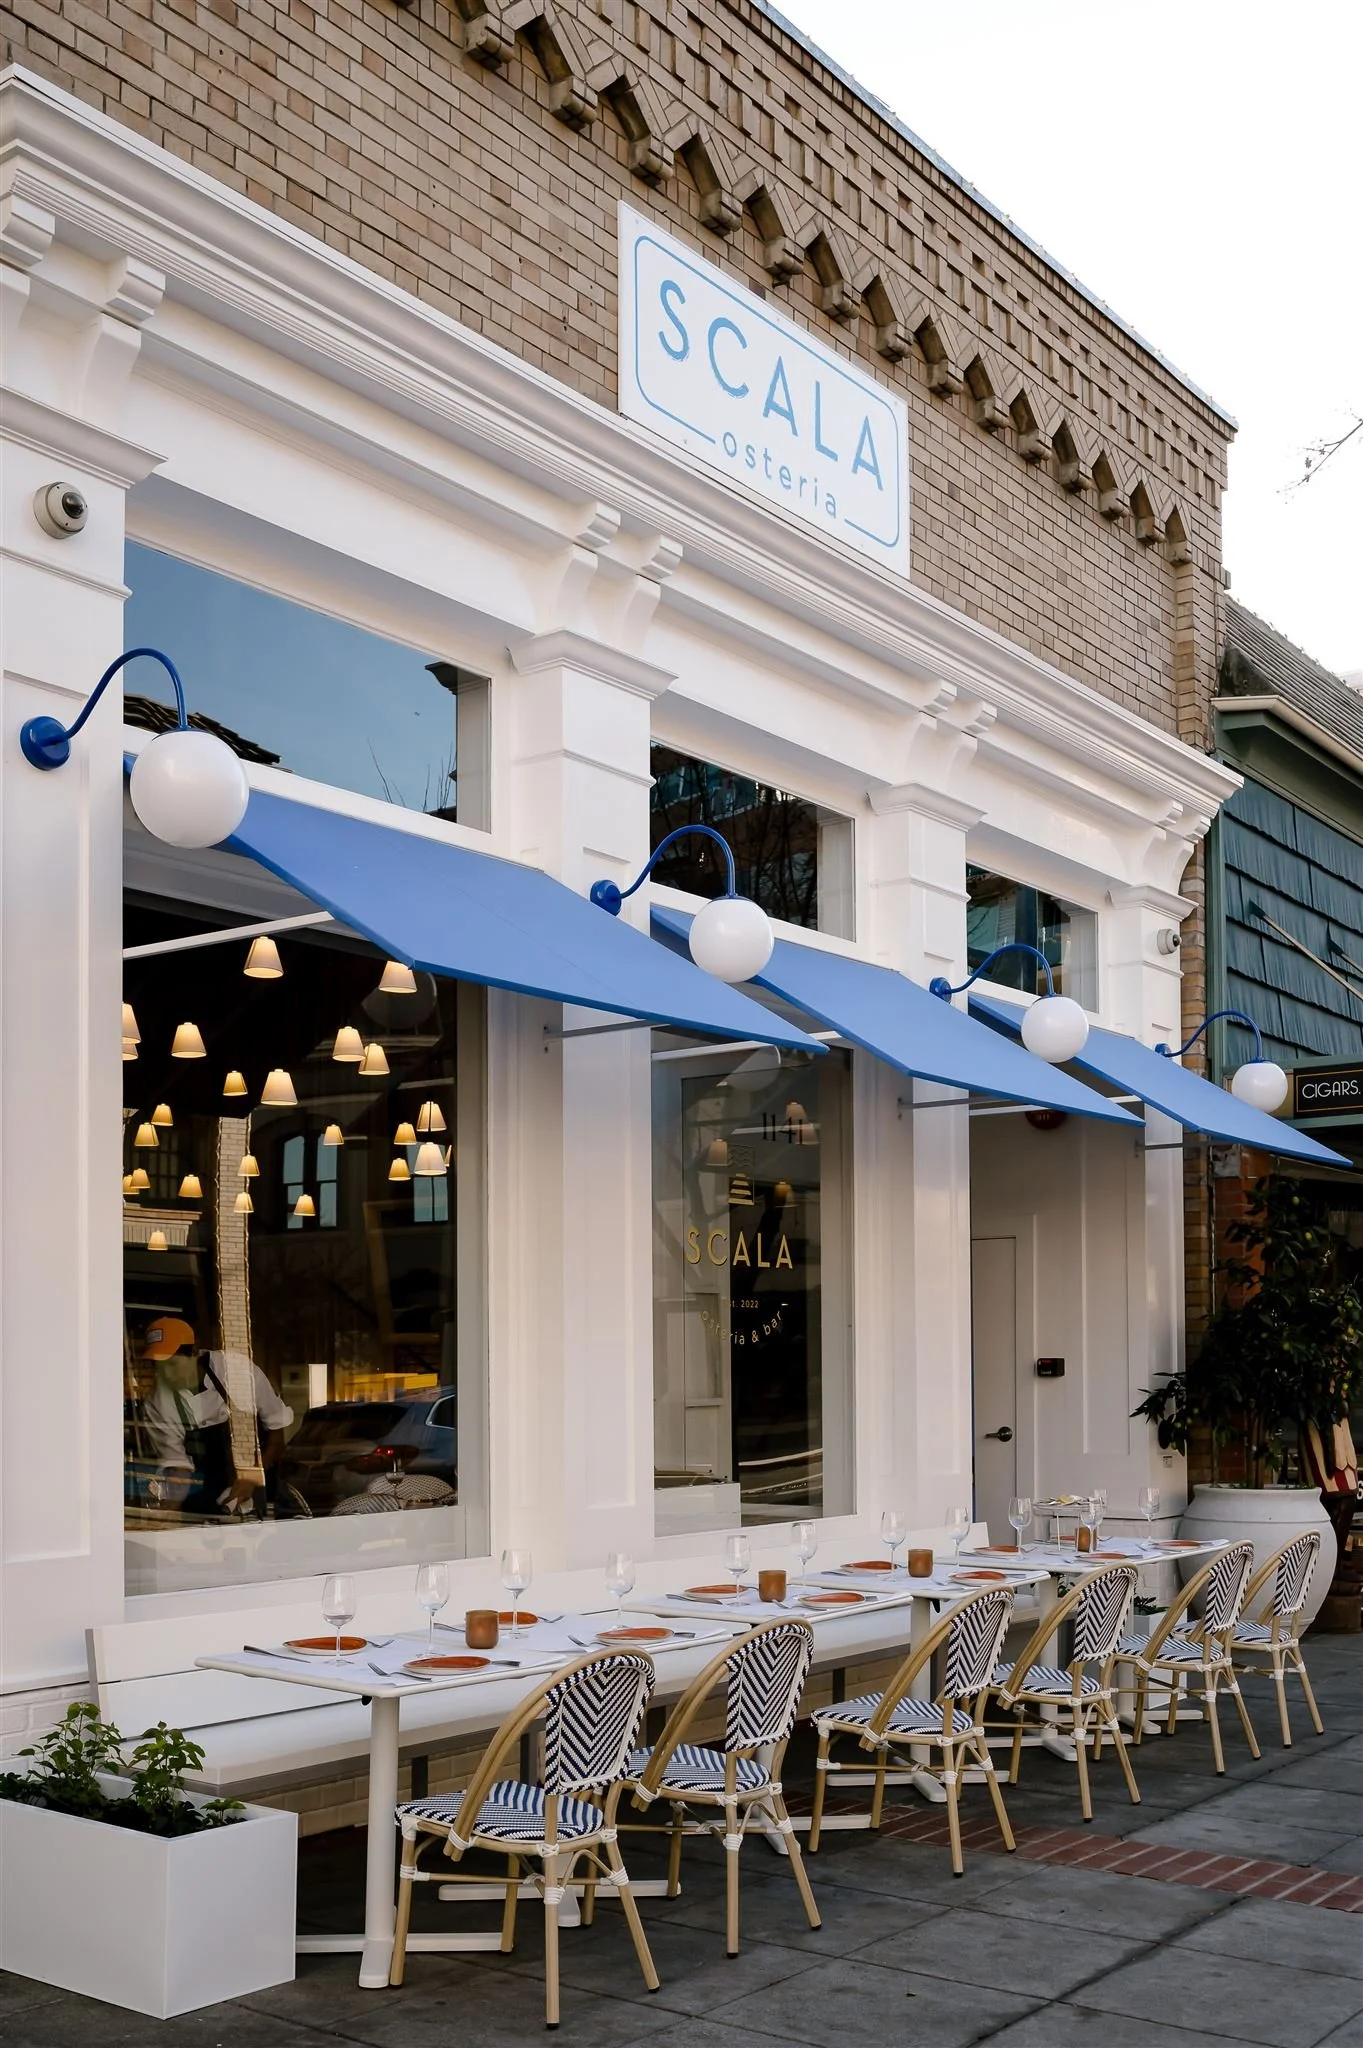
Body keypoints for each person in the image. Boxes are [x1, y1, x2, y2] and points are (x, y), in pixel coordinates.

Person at [138, 1318, 294, 1518]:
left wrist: (252, 1476)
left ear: (194, 1353)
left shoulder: (236, 1370)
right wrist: (171, 1511)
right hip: (207, 1493)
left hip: (263, 1483)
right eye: (158, 1366)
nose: (166, 1374)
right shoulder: (158, 1403)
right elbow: (179, 1466)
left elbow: (277, 1435)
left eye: (172, 1364)